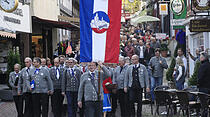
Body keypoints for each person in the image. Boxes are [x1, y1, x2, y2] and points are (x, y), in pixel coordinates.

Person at [197, 52, 210, 117]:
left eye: (200, 57)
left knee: (204, 105)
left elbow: (200, 77)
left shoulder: (203, 66)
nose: (199, 58)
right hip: (209, 87)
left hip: (203, 87)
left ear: (202, 58)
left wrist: (198, 84)